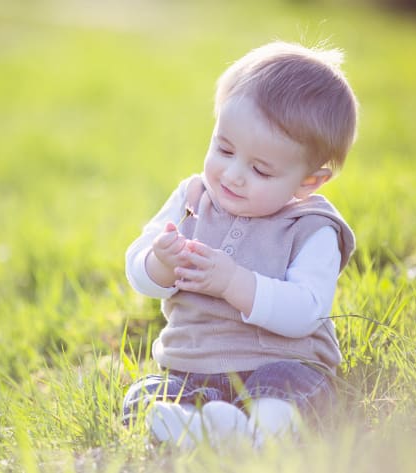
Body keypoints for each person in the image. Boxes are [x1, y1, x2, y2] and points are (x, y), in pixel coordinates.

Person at [122, 40, 358, 449]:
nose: (232, 175)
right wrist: (160, 262)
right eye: (224, 149)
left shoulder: (312, 228)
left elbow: (306, 310)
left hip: (279, 366)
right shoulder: (193, 198)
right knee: (143, 395)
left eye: (261, 169)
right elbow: (138, 270)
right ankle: (208, 427)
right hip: (190, 369)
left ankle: (260, 431)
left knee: (291, 390)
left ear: (308, 182)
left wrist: (234, 282)